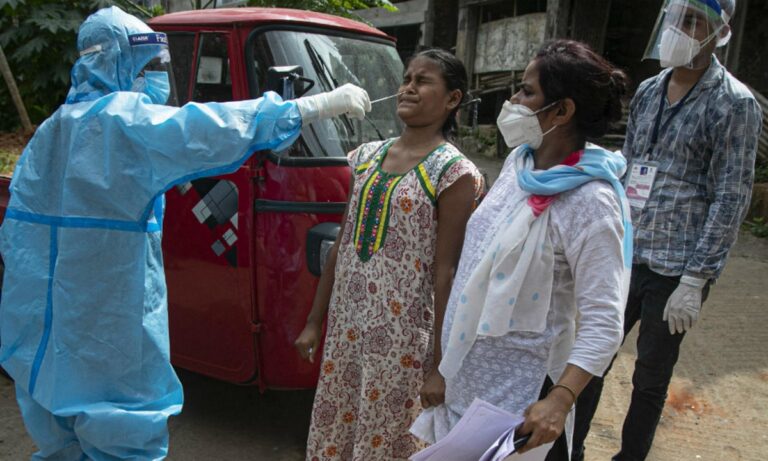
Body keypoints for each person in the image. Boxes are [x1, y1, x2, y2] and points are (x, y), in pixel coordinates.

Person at [0, 6, 370, 460]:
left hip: (42, 321)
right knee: (120, 433)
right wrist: (316, 105)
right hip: (106, 318)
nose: (160, 78)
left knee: (62, 436)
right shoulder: (124, 124)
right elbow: (207, 129)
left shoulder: (52, 130)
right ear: (118, 61)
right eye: (152, 67)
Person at [411, 39, 633, 461]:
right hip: (467, 386)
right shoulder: (519, 165)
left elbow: (604, 321)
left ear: (562, 111)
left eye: (527, 92)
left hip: (523, 401)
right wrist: (441, 364)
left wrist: (561, 400)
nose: (512, 100)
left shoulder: (591, 202)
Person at [572, 1, 762, 460]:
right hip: (627, 251)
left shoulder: (735, 104)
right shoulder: (650, 90)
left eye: (694, 20)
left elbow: (731, 196)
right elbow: (629, 167)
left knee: (650, 377)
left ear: (721, 31)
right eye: (677, 18)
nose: (680, 29)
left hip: (678, 267)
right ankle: (568, 449)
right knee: (591, 359)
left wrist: (697, 279)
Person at [294, 48, 483, 460]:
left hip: (402, 340)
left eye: (423, 80)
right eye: (407, 78)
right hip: (347, 330)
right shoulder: (366, 157)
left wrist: (439, 365)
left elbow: (448, 272)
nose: (409, 87)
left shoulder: (454, 172)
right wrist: (313, 321)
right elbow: (344, 243)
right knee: (337, 426)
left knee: (385, 435)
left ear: (452, 99)